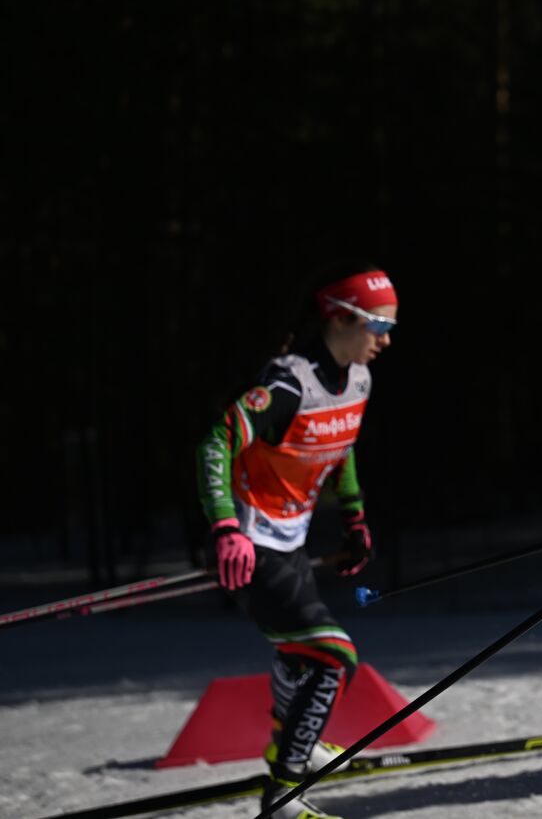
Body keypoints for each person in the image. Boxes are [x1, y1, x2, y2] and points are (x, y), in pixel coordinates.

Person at [196, 264, 398, 819]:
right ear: (339, 319)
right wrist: (224, 529)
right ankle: (284, 792)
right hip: (253, 544)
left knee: (298, 650)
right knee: (333, 655)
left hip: (293, 541)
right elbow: (216, 443)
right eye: (378, 325)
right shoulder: (286, 384)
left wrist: (354, 519)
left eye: (390, 328)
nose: (385, 339)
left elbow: (344, 442)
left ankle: (294, 746)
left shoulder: (357, 378)